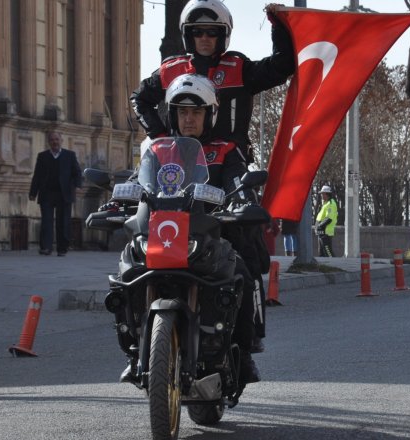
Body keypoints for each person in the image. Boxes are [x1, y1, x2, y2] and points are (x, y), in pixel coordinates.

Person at [120, 73, 261, 386]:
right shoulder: (157, 150)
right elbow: (138, 181)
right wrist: (115, 201)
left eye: (196, 112)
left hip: (208, 237)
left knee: (243, 276)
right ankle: (134, 350)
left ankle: (245, 353)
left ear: (208, 115)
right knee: (125, 272)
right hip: (162, 236)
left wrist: (242, 200)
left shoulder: (226, 150)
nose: (188, 118)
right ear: (172, 114)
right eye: (182, 111)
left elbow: (238, 181)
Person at [130, 0, 295, 161]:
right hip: (181, 162)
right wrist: (161, 137)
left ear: (223, 34)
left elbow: (281, 67)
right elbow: (139, 98)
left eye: (212, 32)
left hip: (230, 164)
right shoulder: (171, 70)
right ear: (188, 34)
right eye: (197, 32)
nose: (204, 38)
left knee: (247, 188)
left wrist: (279, 24)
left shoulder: (238, 68)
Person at [28, 131, 82, 256]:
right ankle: (46, 247)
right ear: (49, 142)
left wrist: (77, 186)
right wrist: (33, 192)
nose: (54, 142)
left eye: (57, 139)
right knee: (46, 221)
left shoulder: (69, 155)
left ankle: (62, 248)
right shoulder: (42, 156)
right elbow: (37, 176)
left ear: (61, 141)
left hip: (64, 194)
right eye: (52, 140)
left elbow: (77, 173)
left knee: (63, 221)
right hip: (47, 193)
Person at [314, 186, 338, 257]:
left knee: (328, 252)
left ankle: (333, 266)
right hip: (322, 232)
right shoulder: (325, 203)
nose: (321, 195)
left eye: (323, 194)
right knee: (321, 253)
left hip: (326, 232)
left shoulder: (330, 204)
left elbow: (329, 218)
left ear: (327, 194)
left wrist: (319, 226)